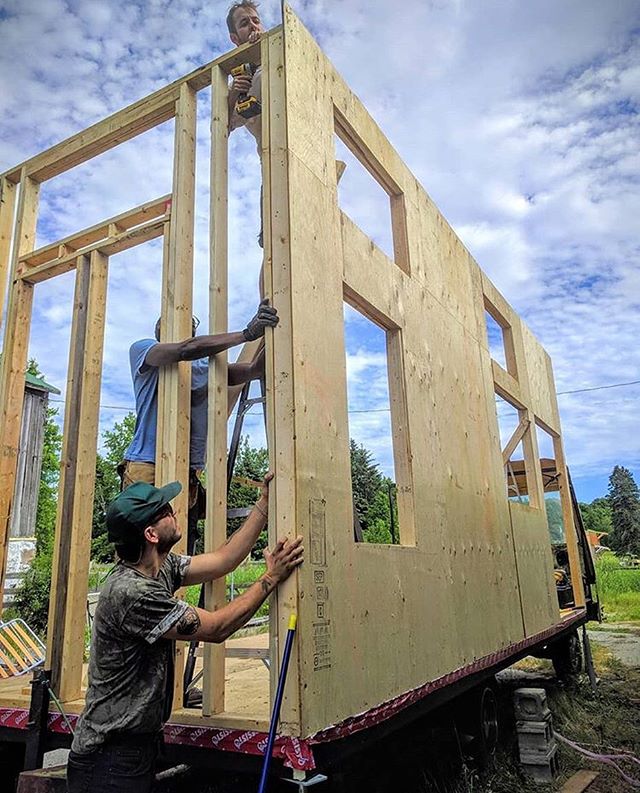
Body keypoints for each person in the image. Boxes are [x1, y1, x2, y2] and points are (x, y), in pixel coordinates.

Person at [66, 476, 303, 793]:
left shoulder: (159, 566)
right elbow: (217, 628)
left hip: (134, 751)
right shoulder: (132, 592)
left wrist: (263, 503)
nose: (173, 511)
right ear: (151, 534)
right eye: (163, 510)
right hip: (109, 759)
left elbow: (223, 560)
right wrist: (272, 576)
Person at [121, 302, 278, 553]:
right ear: (159, 332)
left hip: (189, 476)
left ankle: (173, 594)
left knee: (181, 553)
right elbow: (185, 350)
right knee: (142, 552)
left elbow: (252, 370)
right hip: (147, 467)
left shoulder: (205, 369)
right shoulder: (144, 351)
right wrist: (247, 335)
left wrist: (273, 330)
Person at [227, 1, 266, 248]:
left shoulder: (286, 52)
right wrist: (234, 93)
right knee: (273, 247)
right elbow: (225, 126)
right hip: (274, 167)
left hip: (313, 161)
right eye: (244, 23)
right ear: (235, 37)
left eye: (255, 20)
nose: (252, 25)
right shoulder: (247, 78)